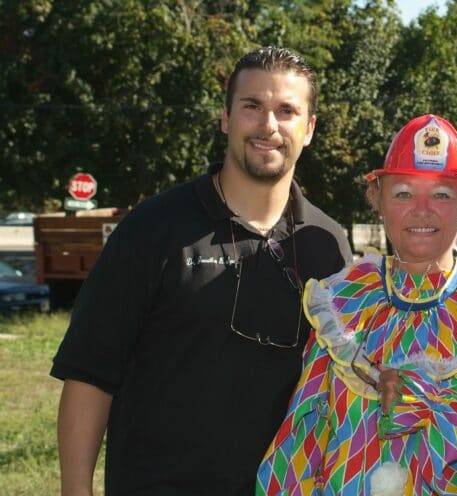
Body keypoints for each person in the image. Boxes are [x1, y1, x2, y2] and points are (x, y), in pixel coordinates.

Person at [51, 47, 352, 495]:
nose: (268, 125)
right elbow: (89, 376)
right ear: (226, 118)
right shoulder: (152, 229)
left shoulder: (329, 248)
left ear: (308, 129)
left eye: (286, 111)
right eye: (252, 106)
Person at [256, 114, 457, 495]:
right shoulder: (343, 298)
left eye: (442, 194)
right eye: (403, 193)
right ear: (378, 201)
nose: (422, 209)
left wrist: (423, 398)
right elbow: (303, 435)